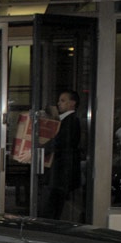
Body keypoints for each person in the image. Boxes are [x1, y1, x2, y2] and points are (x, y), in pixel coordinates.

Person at [42, 90, 82, 220]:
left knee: (53, 209)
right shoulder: (64, 121)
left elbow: (59, 143)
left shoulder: (70, 122)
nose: (59, 103)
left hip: (61, 173)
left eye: (63, 100)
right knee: (54, 207)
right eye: (59, 100)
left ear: (72, 103)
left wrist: (36, 151)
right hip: (60, 173)